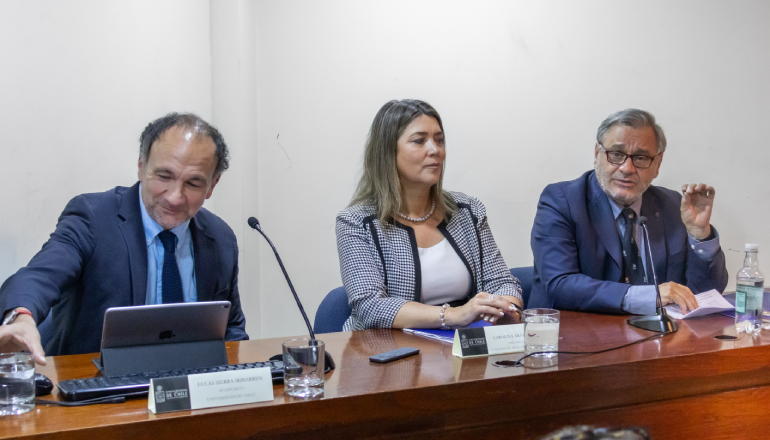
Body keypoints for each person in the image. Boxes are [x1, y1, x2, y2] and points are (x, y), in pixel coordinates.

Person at [0, 113, 248, 364]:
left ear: (212, 186)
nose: (174, 197)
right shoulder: (94, 218)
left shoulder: (220, 238)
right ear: (141, 166)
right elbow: (42, 275)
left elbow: (231, 327)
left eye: (193, 183)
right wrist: (22, 316)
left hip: (190, 389)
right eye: (164, 176)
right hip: (97, 386)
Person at [336, 99, 522, 331]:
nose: (435, 150)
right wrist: (453, 315)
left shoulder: (468, 210)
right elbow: (371, 307)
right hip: (384, 353)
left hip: (459, 350)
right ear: (387, 152)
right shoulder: (356, 223)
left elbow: (501, 281)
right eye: (419, 141)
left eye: (439, 140)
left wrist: (508, 310)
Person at [529, 108, 728, 314]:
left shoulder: (672, 204)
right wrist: (650, 297)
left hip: (657, 339)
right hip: (577, 336)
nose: (627, 168)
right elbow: (560, 285)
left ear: (657, 164)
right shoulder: (562, 201)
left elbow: (705, 293)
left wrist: (700, 234)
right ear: (597, 154)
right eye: (616, 154)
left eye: (641, 158)